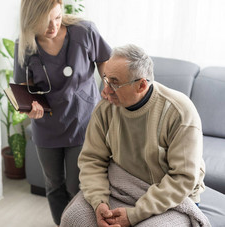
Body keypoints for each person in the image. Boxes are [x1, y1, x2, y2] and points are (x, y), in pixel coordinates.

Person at [60, 44, 209, 227]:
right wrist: (99, 203)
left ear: (141, 85)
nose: (105, 91)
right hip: (122, 186)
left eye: (114, 83)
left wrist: (134, 215)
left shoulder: (179, 112)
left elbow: (183, 179)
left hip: (172, 198)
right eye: (105, 79)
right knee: (73, 218)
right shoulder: (106, 108)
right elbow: (92, 160)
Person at [13, 0, 112, 226]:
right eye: (45, 22)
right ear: (30, 20)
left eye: (57, 18)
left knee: (76, 186)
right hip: (47, 126)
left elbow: (104, 60)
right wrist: (31, 109)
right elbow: (24, 88)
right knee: (54, 185)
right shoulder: (25, 44)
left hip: (83, 120)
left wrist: (108, 84)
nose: (53, 27)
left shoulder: (84, 32)